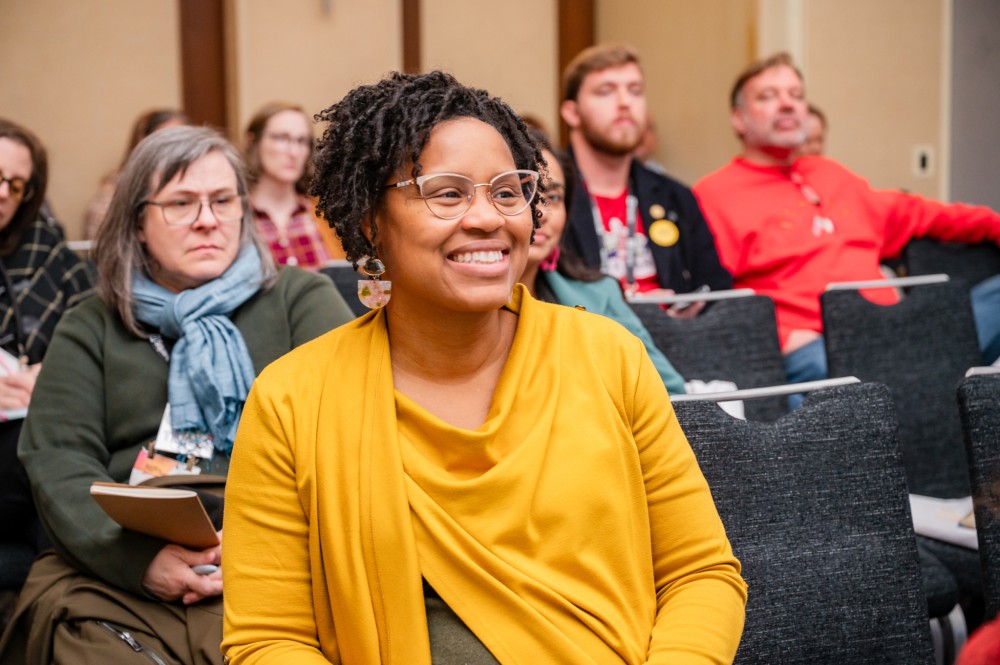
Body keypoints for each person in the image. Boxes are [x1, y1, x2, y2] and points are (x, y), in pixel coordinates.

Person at [222, 71, 746, 663]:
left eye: (507, 190)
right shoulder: (293, 401)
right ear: (370, 221)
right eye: (447, 192)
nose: (488, 217)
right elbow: (270, 640)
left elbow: (699, 573)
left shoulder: (609, 358)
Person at [0, 126, 354, 664]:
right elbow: (57, 462)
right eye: (181, 203)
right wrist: (136, 561)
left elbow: (347, 440)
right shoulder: (90, 324)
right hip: (121, 559)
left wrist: (257, 544)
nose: (208, 219)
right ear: (138, 223)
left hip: (280, 544)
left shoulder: (300, 300)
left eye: (222, 200)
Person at [693, 52, 1000, 388]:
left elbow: (922, 214)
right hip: (819, 349)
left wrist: (994, 225)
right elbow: (712, 300)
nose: (787, 105)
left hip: (895, 331)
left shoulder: (832, 174)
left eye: (796, 96)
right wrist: (781, 338)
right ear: (739, 119)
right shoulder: (713, 195)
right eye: (768, 96)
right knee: (905, 381)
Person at [560, 44, 732, 316]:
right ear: (572, 113)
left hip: (673, 343)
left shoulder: (674, 196)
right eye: (606, 91)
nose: (625, 102)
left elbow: (717, 286)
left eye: (635, 90)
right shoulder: (548, 195)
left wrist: (690, 315)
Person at [520, 133, 686, 395]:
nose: (542, 214)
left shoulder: (600, 294)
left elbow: (670, 392)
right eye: (522, 192)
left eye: (553, 198)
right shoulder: (465, 299)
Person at [0, 118, 94, 561]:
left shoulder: (43, 245)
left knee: (59, 468)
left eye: (16, 185)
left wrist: (57, 371)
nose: (4, 194)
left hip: (41, 424)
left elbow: (96, 325)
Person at [244, 102, 344, 269]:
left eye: (302, 141)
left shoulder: (328, 215)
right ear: (253, 141)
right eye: (282, 138)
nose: (294, 152)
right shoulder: (235, 217)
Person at [84, 108, 190, 239]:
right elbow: (99, 244)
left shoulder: (197, 184)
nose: (179, 150)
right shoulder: (114, 193)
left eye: (185, 141)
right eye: (168, 142)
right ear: (143, 144)